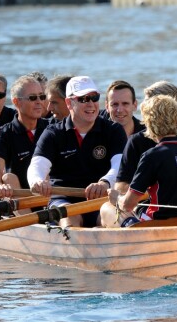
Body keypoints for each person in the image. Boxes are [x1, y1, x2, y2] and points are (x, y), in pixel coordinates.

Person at [101, 95, 177, 226]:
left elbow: (128, 205)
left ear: (149, 123)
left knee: (106, 208)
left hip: (160, 224)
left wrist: (117, 198)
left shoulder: (151, 156)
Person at [27, 75, 127, 228]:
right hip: (64, 199)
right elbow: (37, 166)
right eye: (83, 99)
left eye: (94, 98)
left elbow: (119, 166)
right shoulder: (53, 134)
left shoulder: (114, 130)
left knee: (116, 218)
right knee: (70, 220)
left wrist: (105, 182)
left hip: (101, 198)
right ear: (69, 103)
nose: (91, 104)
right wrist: (37, 181)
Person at [0, 74, 50, 200]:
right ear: (17, 102)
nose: (39, 102)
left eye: (42, 96)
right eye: (33, 98)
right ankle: (29, 219)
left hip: (47, 194)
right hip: (20, 197)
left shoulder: (51, 128)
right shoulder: (3, 134)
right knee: (8, 178)